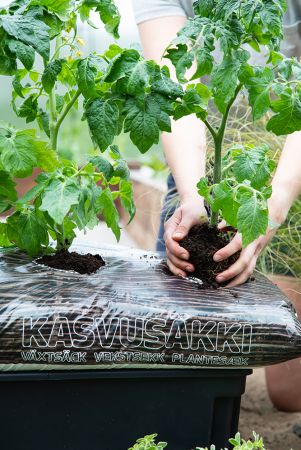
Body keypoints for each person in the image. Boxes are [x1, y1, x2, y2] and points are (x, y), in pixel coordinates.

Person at [132, 0, 301, 412]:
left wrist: (270, 212)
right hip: (203, 151)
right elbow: (175, 87)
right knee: (173, 349)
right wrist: (192, 196)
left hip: (290, 146)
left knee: (290, 393)